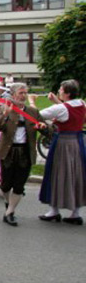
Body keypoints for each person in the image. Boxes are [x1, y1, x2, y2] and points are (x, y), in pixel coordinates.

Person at [0, 83, 44, 226]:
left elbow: (46, 128)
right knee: (5, 185)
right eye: (21, 93)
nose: (23, 96)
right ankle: (8, 203)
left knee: (19, 185)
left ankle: (9, 212)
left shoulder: (33, 112)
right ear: (13, 95)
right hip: (8, 151)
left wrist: (44, 128)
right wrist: (5, 115)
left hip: (25, 152)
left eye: (25, 93)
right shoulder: (5, 109)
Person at [37, 80, 86, 225]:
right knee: (76, 174)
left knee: (57, 173)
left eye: (61, 89)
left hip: (63, 143)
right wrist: (57, 101)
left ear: (67, 93)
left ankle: (54, 210)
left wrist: (31, 101)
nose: (59, 90)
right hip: (77, 142)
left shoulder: (61, 108)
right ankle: (75, 212)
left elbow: (38, 115)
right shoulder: (82, 104)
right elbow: (68, 110)